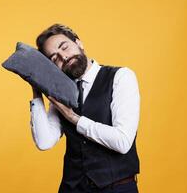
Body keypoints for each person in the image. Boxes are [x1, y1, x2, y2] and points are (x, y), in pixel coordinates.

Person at [29, 23, 140, 193]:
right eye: (54, 58)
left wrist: (75, 119)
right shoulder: (60, 94)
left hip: (117, 187)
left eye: (64, 47)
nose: (63, 57)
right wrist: (37, 90)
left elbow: (123, 141)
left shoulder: (121, 77)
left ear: (79, 43)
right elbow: (44, 142)